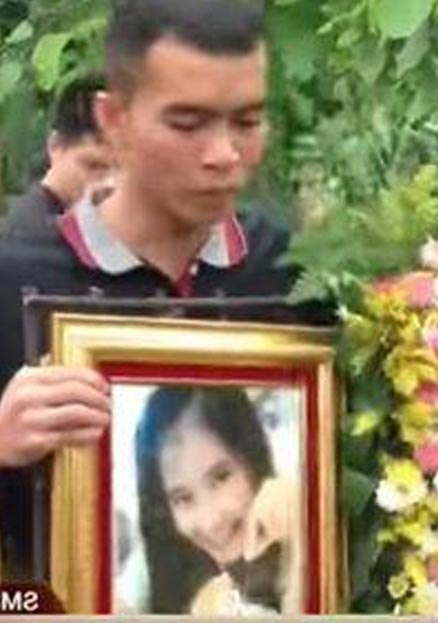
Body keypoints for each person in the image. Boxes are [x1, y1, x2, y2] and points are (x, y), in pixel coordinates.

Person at [0, 0, 324, 579]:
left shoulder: (293, 271)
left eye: (247, 122)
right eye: (187, 124)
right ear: (114, 120)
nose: (224, 156)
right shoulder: (14, 280)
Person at [129, 386, 298, 614]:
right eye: (183, 498)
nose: (211, 522)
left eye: (221, 477)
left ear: (253, 460)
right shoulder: (162, 568)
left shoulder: (307, 519)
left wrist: (299, 553)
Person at [2, 76, 113, 237]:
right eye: (93, 166)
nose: (107, 182)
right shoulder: (32, 234)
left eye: (122, 171)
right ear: (55, 146)